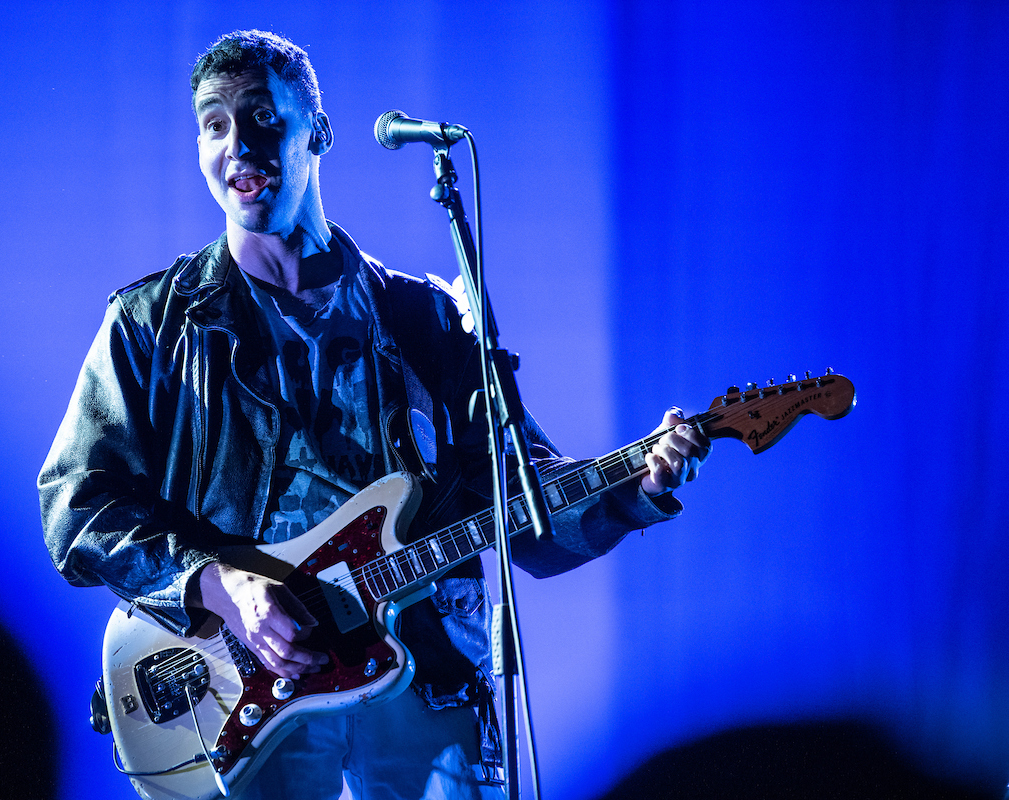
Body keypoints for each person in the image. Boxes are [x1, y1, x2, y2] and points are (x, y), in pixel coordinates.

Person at [38, 29, 710, 800]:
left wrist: (638, 484)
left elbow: (521, 492)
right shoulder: (154, 324)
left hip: (424, 674)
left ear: (317, 132)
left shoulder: (422, 319)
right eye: (214, 124)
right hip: (252, 691)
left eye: (262, 115)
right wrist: (219, 585)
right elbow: (75, 506)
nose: (238, 144)